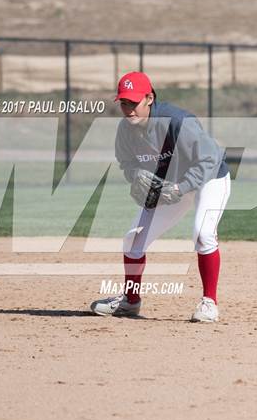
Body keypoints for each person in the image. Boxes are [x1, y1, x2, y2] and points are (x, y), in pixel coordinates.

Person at [90, 71, 231, 322]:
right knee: (133, 240)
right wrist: (137, 176)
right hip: (170, 183)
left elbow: (209, 159)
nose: (128, 109)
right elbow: (127, 163)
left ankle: (209, 302)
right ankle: (130, 302)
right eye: (124, 103)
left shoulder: (178, 122)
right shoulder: (125, 130)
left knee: (203, 233)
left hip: (210, 178)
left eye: (133, 103)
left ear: (149, 98)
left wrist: (181, 187)